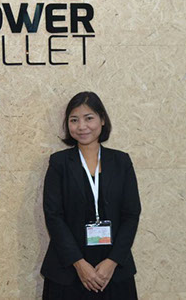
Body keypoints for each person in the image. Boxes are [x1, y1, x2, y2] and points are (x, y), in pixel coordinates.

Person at [41, 91, 141, 299]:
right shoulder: (59, 163)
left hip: (114, 271)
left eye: (89, 118)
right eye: (74, 120)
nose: (82, 126)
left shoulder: (121, 162)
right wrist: (79, 264)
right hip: (67, 270)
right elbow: (53, 215)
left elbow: (131, 214)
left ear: (102, 120)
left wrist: (112, 262)